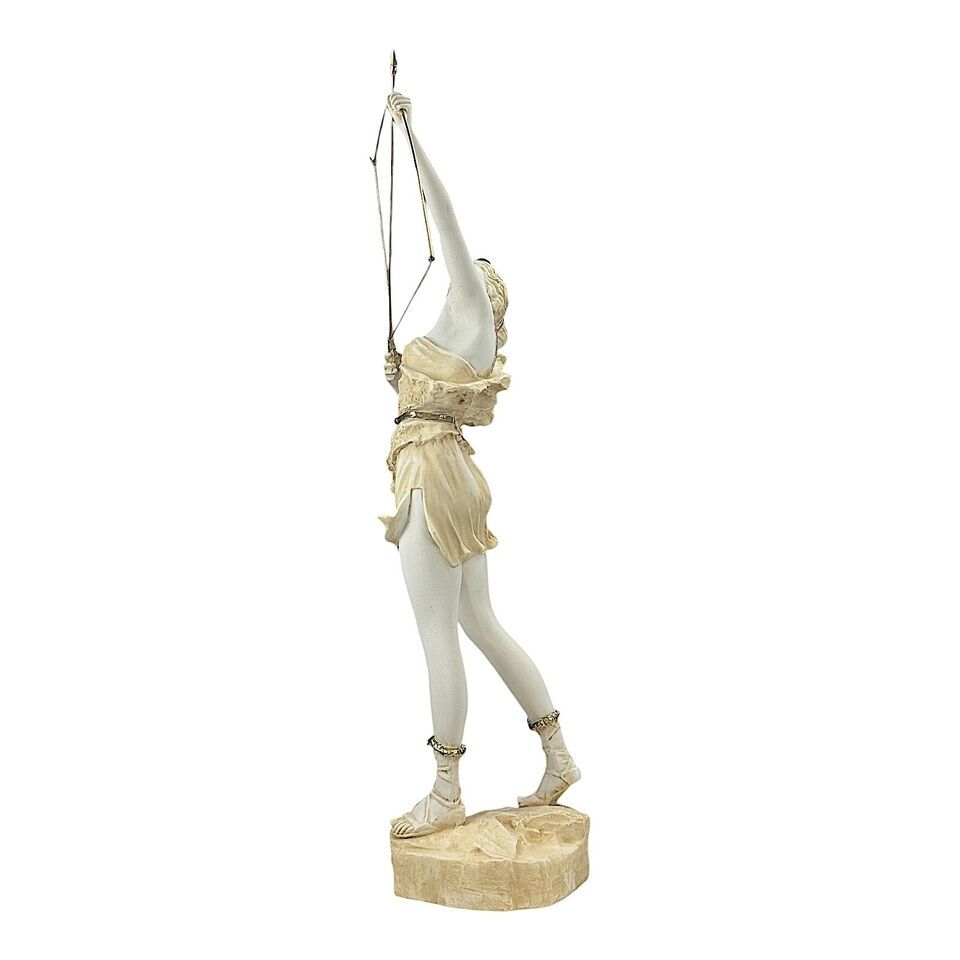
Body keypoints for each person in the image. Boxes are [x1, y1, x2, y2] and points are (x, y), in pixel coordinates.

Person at [379, 92, 580, 839]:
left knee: (439, 633)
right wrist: (403, 381)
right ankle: (557, 754)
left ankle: (446, 790)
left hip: (430, 474)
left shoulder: (468, 304)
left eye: (473, 272)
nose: (466, 271)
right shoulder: (468, 335)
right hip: (453, 467)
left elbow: (447, 220)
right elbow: (432, 399)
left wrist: (411, 135)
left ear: (481, 289)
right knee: (479, 620)